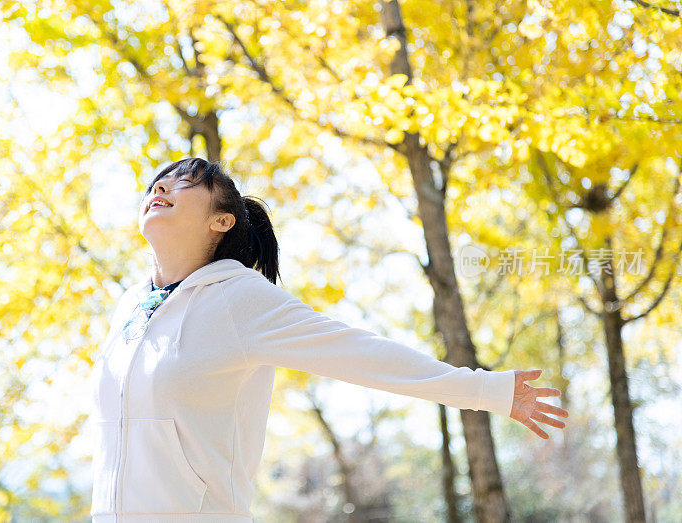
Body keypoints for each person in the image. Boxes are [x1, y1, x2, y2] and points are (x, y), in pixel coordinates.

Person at [89, 157, 568, 522]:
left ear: (222, 221)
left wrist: (487, 390)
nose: (161, 186)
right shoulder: (130, 308)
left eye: (186, 182)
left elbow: (360, 353)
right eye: (159, 181)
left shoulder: (239, 300)